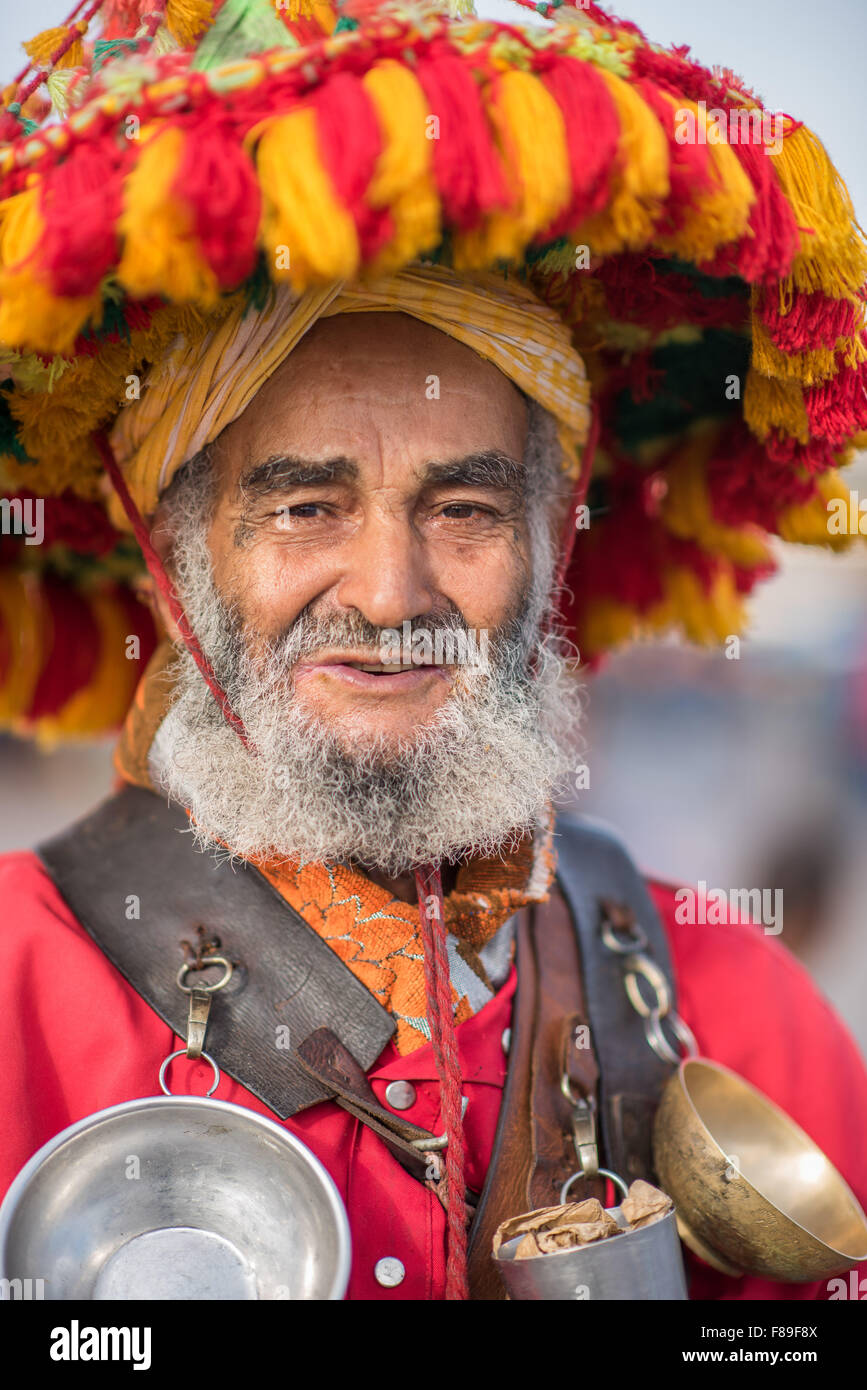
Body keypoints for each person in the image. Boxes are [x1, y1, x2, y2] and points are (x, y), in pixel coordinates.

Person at [1, 0, 866, 1302]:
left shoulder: (740, 1005)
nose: (394, 589)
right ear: (171, 552)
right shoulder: (16, 986)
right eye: (305, 506)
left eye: (463, 510)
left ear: (548, 544)